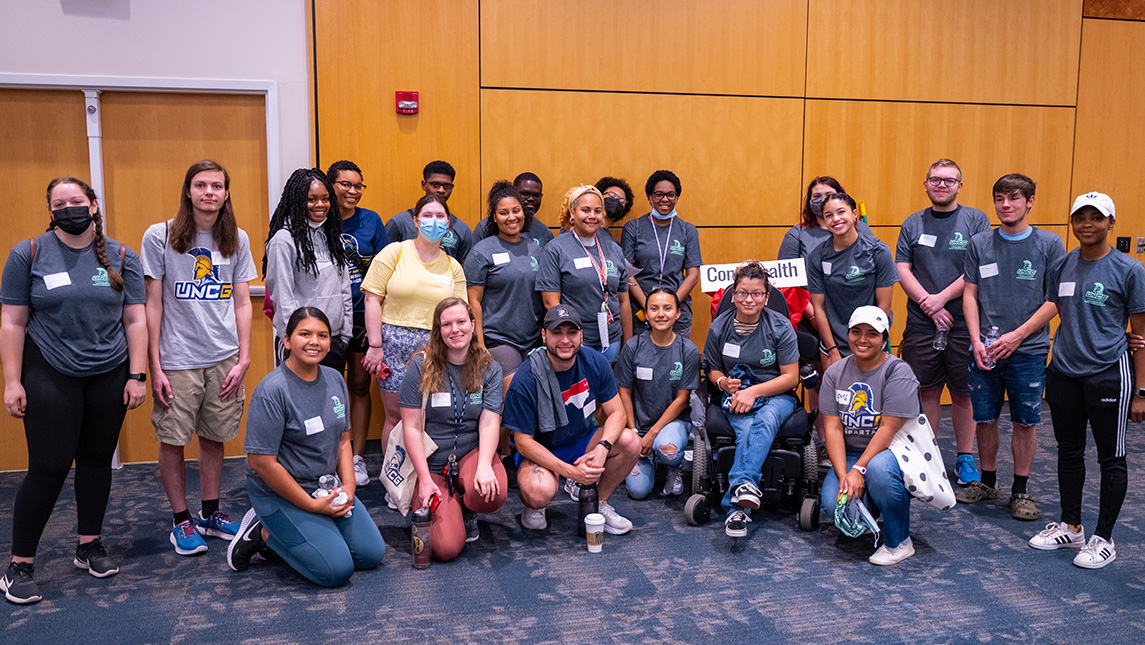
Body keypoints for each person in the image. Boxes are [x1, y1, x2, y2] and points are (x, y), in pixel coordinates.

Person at [0, 177, 147, 604]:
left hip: (110, 371)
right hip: (49, 369)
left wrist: (136, 376)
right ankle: (19, 566)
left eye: (77, 201)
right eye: (60, 203)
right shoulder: (27, 254)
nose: (69, 208)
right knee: (48, 466)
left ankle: (89, 545)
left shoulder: (122, 255)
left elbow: (136, 320)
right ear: (51, 210)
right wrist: (12, 381)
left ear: (94, 205)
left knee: (97, 462)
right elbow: (12, 322)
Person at [141, 160, 256, 556]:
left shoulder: (235, 238)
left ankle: (209, 512)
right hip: (177, 358)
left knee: (214, 437)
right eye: (201, 185)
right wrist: (153, 365)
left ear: (226, 193)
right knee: (173, 439)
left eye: (217, 186)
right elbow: (151, 304)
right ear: (188, 191)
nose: (209, 192)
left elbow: (243, 302)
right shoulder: (161, 236)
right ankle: (181, 521)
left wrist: (244, 359)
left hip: (223, 356)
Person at [227, 307, 384, 586]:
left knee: (371, 554)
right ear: (286, 340)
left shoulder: (334, 378)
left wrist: (348, 487)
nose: (315, 341)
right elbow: (261, 462)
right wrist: (312, 506)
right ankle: (263, 533)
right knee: (336, 570)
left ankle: (307, 530)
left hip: (325, 485)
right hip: (280, 492)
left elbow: (343, 441)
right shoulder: (272, 391)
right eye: (305, 334)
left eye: (322, 335)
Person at [1030, 192, 1145, 568]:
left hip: (1109, 373)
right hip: (1063, 371)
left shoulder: (1129, 270)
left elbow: (1141, 336)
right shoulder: (1061, 265)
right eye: (1081, 218)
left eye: (1097, 218)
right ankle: (1072, 526)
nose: (1087, 225)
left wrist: (1141, 392)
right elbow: (1063, 311)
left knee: (1111, 458)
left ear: (1111, 223)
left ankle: (1104, 537)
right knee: (1068, 451)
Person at [959, 173, 1064, 521]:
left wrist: (1018, 335)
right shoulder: (979, 244)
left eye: (1014, 198)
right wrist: (975, 339)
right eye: (1000, 199)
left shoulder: (1050, 244)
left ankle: (1020, 490)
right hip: (985, 348)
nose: (1006, 205)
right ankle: (988, 482)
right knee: (985, 418)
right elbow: (970, 294)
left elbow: (1055, 301)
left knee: (1025, 422)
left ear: (1030, 201)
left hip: (1029, 350)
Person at [502, 306, 641, 534]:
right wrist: (569, 471)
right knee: (538, 492)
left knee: (630, 441)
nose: (565, 340)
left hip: (582, 440)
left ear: (581, 336)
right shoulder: (526, 378)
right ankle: (536, 506)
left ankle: (600, 503)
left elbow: (618, 413)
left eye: (571, 333)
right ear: (544, 335)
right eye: (557, 333)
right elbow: (523, 442)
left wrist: (604, 447)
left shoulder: (595, 361)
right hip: (543, 448)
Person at [894, 159, 990, 488]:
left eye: (949, 180)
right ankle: (928, 455)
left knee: (964, 394)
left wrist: (941, 299)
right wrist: (929, 305)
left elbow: (976, 270)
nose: (942, 185)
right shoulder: (913, 223)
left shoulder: (976, 220)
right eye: (935, 179)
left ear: (960, 186)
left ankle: (965, 457)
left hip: (966, 322)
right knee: (927, 391)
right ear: (925, 184)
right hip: (922, 324)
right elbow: (903, 269)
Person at [401, 298, 507, 561]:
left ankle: (466, 507)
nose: (455, 329)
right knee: (446, 549)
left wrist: (484, 464)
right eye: (446, 324)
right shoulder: (420, 366)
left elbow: (490, 421)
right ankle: (436, 502)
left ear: (472, 325)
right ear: (438, 330)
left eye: (461, 322)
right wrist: (424, 479)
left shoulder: (489, 368)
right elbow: (411, 428)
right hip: (432, 463)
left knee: (493, 493)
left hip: (470, 454)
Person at [361, 194, 467, 457]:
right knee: (396, 418)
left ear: (448, 222)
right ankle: (394, 484)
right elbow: (372, 298)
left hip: (436, 347)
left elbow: (460, 313)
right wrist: (375, 346)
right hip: (393, 345)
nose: (434, 221)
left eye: (440, 216)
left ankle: (425, 479)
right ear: (416, 221)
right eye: (427, 216)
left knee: (431, 418)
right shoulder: (394, 252)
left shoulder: (453, 267)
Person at [703, 262, 800, 537]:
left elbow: (791, 377)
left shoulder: (780, 326)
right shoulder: (720, 327)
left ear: (766, 296)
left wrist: (754, 391)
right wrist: (722, 382)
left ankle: (738, 492)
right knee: (746, 430)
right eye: (743, 293)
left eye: (756, 294)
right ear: (733, 294)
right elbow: (712, 369)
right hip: (736, 394)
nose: (749, 299)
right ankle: (739, 508)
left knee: (765, 419)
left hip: (777, 395)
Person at [820, 306, 921, 566]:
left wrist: (859, 470)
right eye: (856, 332)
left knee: (878, 471)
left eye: (872, 334)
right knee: (834, 505)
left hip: (892, 453)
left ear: (884, 339)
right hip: (851, 454)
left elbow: (888, 428)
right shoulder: (834, 373)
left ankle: (899, 542)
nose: (862, 339)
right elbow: (832, 428)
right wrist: (845, 475)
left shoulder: (898, 372)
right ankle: (874, 506)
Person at [326, 160, 390, 488]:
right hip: (328, 320)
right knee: (328, 391)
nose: (352, 192)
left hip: (363, 317)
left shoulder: (371, 221)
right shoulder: (319, 219)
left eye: (358, 186)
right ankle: (328, 458)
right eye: (345, 184)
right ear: (330, 185)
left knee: (361, 387)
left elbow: (384, 267)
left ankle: (357, 456)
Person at [264, 168, 353, 370]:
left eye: (325, 199)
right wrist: (294, 340)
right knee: (298, 400)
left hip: (333, 340)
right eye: (312, 199)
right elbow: (282, 296)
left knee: (331, 400)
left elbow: (344, 288)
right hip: (300, 344)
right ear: (297, 202)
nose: (320, 205)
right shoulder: (284, 241)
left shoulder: (333, 237)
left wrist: (345, 336)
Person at [617, 289, 700, 499]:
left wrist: (652, 434)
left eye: (667, 308)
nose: (660, 314)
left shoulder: (687, 350)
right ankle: (645, 457)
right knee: (637, 492)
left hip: (672, 424)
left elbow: (682, 399)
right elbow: (624, 393)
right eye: (654, 309)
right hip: (638, 427)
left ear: (678, 313)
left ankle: (673, 468)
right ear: (646, 313)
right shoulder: (633, 346)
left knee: (668, 450)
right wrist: (634, 433)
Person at [537, 185, 632, 361]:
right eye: (585, 210)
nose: (592, 216)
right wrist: (571, 339)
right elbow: (551, 303)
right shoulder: (555, 249)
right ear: (572, 213)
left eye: (597, 211)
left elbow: (623, 300)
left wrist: (628, 344)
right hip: (574, 341)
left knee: (605, 387)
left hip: (611, 338)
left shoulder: (614, 249)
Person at [806, 192, 898, 373]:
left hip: (870, 340)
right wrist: (832, 351)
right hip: (834, 343)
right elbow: (818, 307)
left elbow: (884, 305)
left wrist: (866, 341)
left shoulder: (878, 251)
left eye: (841, 212)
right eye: (829, 215)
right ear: (823, 222)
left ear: (854, 214)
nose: (836, 219)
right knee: (836, 398)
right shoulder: (817, 256)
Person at [465, 181, 545, 378]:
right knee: (511, 393)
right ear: (494, 217)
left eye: (516, 211)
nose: (511, 217)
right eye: (504, 213)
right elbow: (472, 300)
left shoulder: (535, 249)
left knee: (534, 394)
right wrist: (480, 344)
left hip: (532, 340)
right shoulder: (482, 251)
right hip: (498, 340)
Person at [621, 170, 702, 336]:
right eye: (659, 194)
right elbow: (626, 272)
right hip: (641, 313)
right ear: (650, 197)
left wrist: (670, 306)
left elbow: (693, 274)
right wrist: (649, 307)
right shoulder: (633, 228)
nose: (665, 199)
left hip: (677, 313)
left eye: (670, 194)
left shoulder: (688, 230)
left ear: (677, 197)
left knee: (676, 360)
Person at [385, 160, 474, 262]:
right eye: (435, 185)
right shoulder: (399, 223)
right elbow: (386, 261)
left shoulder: (462, 228)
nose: (441, 190)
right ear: (423, 185)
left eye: (447, 186)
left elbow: (463, 268)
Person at [475, 172, 554, 248]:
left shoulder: (544, 232)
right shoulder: (484, 227)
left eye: (536, 195)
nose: (531, 199)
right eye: (525, 194)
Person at [595, 176, 635, 243]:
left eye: (621, 201)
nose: (616, 201)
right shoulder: (581, 230)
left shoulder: (613, 246)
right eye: (611, 196)